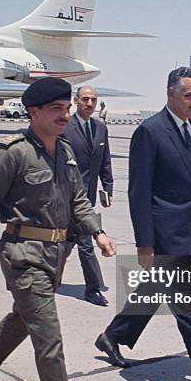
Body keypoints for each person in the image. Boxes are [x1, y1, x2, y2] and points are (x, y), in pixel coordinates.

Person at [0, 77, 116, 381]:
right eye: (57, 110)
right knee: (48, 331)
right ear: (34, 112)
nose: (65, 116)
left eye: (67, 109)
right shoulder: (13, 152)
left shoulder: (65, 151)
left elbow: (77, 199)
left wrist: (98, 231)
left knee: (24, 318)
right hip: (23, 254)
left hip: (56, 253)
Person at [95, 66, 191, 381]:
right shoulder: (150, 131)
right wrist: (145, 243)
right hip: (163, 235)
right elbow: (140, 193)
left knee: (155, 290)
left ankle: (112, 336)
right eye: (190, 95)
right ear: (170, 94)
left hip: (190, 231)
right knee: (186, 304)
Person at [63, 86, 113, 306]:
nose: (90, 104)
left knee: (67, 240)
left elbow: (105, 161)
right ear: (76, 101)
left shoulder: (101, 129)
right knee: (84, 241)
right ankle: (92, 289)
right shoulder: (65, 127)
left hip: (89, 196)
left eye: (93, 100)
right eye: (85, 99)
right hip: (66, 197)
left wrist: (107, 188)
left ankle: (45, 276)